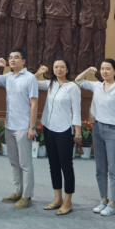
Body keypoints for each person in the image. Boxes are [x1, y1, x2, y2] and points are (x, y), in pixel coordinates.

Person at [75, 59, 115, 216]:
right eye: (102, 68)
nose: (105, 71)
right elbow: (78, 80)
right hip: (98, 128)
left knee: (113, 168)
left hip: (114, 130)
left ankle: (113, 203)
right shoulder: (97, 86)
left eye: (108, 68)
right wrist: (88, 70)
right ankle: (104, 199)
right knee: (100, 168)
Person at [0, 48, 39, 210]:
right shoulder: (8, 77)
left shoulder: (30, 78)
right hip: (10, 125)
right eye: (10, 57)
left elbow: (34, 104)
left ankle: (27, 196)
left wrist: (32, 126)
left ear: (23, 61)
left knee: (25, 163)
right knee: (14, 162)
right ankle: (18, 192)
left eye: (16, 57)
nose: (12, 60)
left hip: (24, 126)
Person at [35, 59, 82, 215]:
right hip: (49, 128)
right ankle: (57, 199)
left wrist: (78, 133)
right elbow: (30, 82)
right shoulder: (50, 84)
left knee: (66, 165)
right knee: (53, 165)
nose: (59, 69)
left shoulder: (73, 87)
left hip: (64, 130)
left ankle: (68, 201)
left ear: (67, 69)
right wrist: (39, 73)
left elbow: (77, 112)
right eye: (56, 67)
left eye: (62, 67)